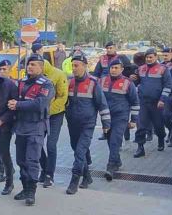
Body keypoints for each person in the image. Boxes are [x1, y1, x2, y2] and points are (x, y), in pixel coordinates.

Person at [9, 54, 55, 206]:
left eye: (34, 64)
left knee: (32, 160)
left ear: (41, 67)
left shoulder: (46, 84)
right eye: (29, 64)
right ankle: (24, 187)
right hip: (21, 126)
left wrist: (18, 105)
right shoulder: (21, 82)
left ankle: (31, 191)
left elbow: (40, 104)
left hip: (36, 126)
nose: (30, 67)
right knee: (21, 160)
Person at [65, 54, 110, 195]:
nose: (73, 68)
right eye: (72, 65)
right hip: (72, 123)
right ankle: (88, 177)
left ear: (84, 66)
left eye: (76, 65)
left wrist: (106, 123)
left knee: (79, 152)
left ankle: (74, 181)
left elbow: (102, 104)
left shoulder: (93, 83)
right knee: (77, 149)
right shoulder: (70, 82)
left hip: (87, 124)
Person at [101, 58, 139, 181]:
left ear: (122, 69)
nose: (113, 70)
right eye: (112, 67)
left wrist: (133, 120)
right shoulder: (102, 81)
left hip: (121, 117)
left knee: (115, 141)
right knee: (109, 140)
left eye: (116, 68)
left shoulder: (128, 83)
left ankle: (110, 167)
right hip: (106, 117)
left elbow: (135, 102)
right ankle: (117, 161)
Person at [131, 48, 171, 158]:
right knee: (141, 125)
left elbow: (168, 86)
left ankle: (161, 139)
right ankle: (140, 147)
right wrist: (133, 79)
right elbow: (137, 82)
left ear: (156, 57)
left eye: (150, 57)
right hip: (143, 102)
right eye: (147, 57)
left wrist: (162, 99)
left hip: (157, 103)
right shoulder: (140, 69)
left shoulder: (163, 69)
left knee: (158, 125)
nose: (148, 59)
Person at [37, 58, 69, 188]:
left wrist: (49, 110)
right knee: (37, 143)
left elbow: (63, 96)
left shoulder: (58, 74)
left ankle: (50, 175)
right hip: (40, 115)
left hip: (55, 114)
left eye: (34, 65)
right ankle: (44, 170)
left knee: (51, 145)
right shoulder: (34, 76)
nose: (30, 67)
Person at [0, 60, 18, 196]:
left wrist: (2, 120)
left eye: (5, 69)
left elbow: (14, 108)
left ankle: (9, 181)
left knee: (4, 154)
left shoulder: (11, 85)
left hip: (4, 125)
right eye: (0, 69)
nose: (2, 71)